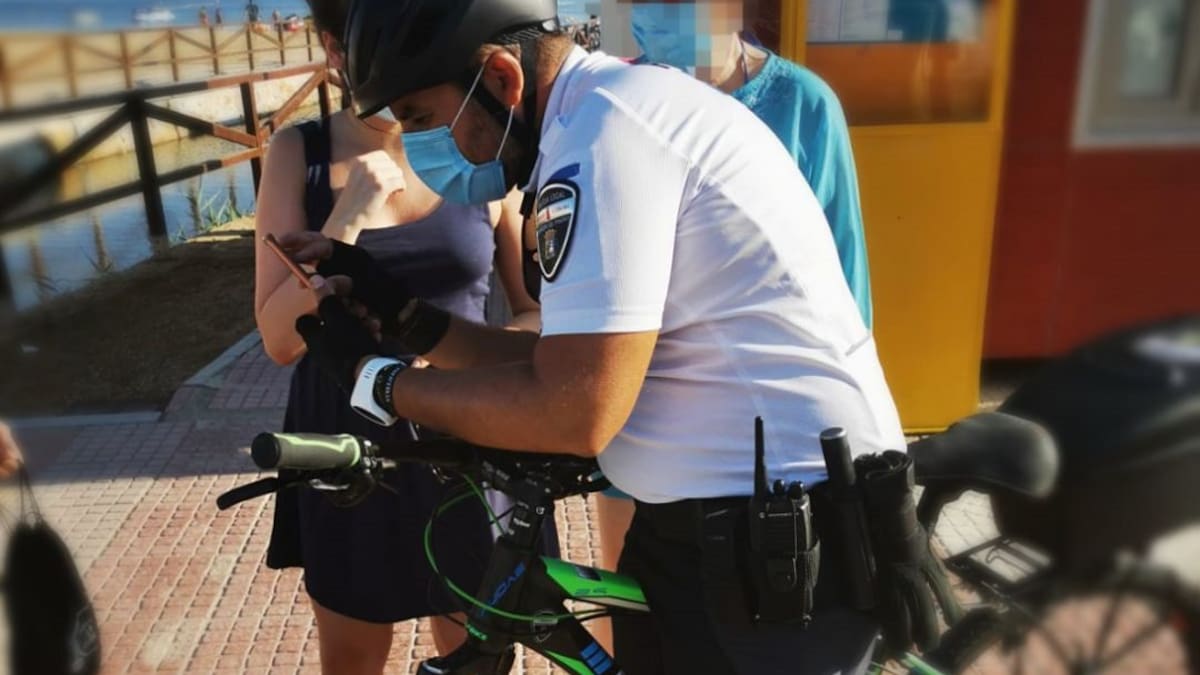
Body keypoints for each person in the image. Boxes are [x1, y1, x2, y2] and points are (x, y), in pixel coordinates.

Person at [287, 0, 905, 671]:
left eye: (420, 119)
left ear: (501, 79)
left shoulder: (608, 133)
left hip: (782, 543)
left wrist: (379, 383)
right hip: (714, 522)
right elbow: (566, 362)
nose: (417, 146)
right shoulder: (596, 114)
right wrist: (406, 313)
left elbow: (574, 409)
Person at [251, 0, 540, 672]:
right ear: (332, 48)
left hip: (465, 435)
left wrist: (461, 363)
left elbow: (531, 312)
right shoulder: (301, 153)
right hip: (346, 446)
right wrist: (343, 225)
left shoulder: (476, 140)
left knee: (478, 651)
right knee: (353, 653)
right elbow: (277, 338)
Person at [591, 0, 879, 641]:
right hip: (642, 421)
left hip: (767, 450)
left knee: (760, 627)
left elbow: (845, 291)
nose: (655, 11)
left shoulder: (803, 105)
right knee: (635, 619)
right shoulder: (618, 99)